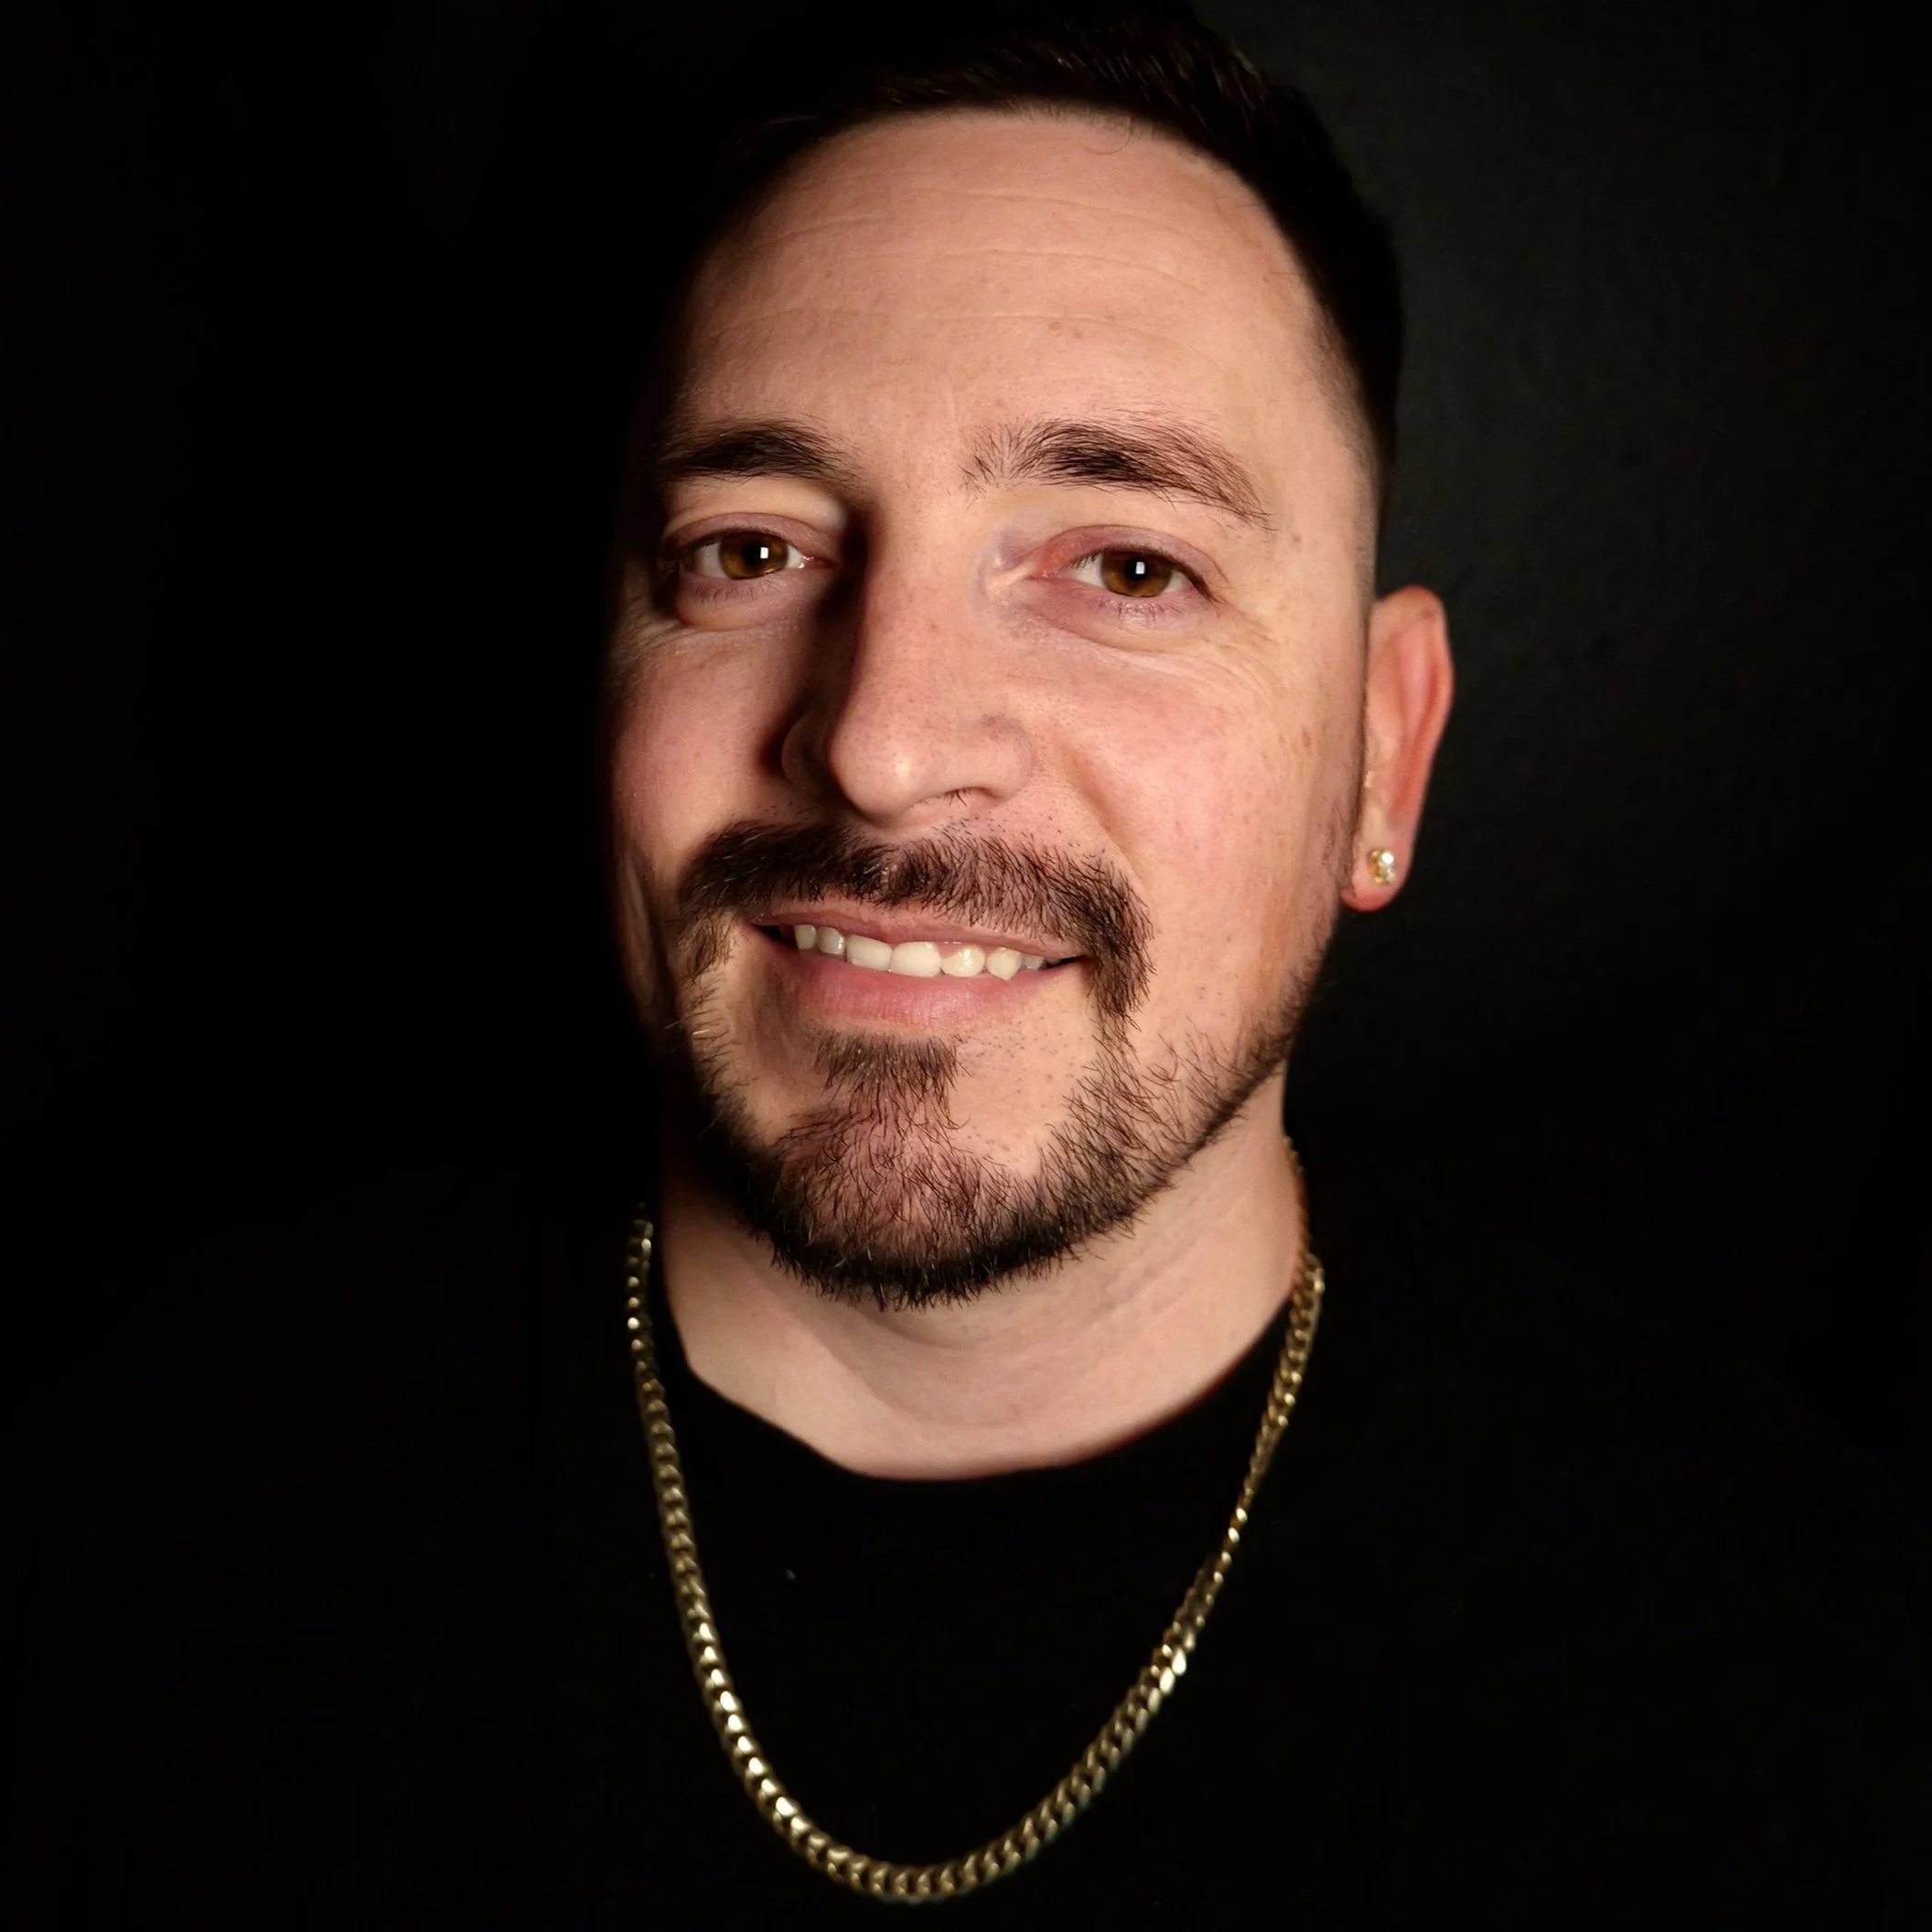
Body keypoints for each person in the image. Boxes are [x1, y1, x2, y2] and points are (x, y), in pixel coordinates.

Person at [7, 5, 1927, 1925]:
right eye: (751, 551)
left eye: (1126, 567)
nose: (882, 741)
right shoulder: (125, 1521)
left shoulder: (1818, 1691)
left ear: (1382, 751)